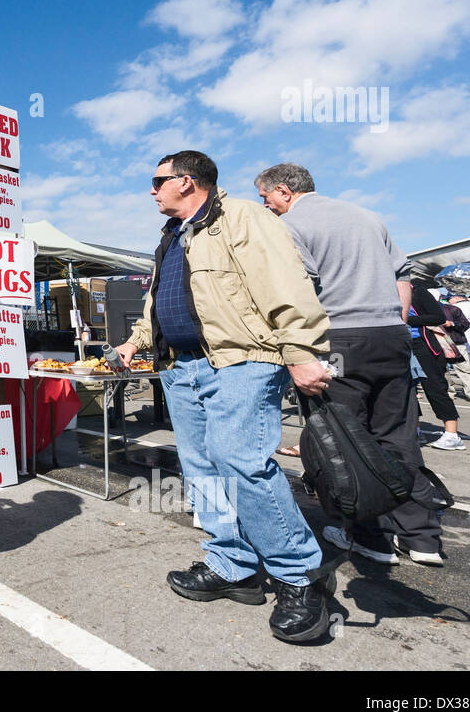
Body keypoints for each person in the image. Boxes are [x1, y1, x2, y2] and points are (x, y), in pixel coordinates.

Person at [116, 150, 336, 644]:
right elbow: (159, 301)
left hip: (242, 361)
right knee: (200, 469)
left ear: (187, 182)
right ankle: (232, 566)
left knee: (240, 460)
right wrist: (137, 340)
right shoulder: (171, 235)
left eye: (158, 181)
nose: (152, 190)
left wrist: (302, 351)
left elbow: (285, 284)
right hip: (182, 367)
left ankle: (299, 576)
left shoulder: (244, 218)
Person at [256, 163, 445, 567]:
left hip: (337, 336)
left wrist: (297, 352)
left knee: (344, 441)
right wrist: (396, 319)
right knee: (398, 434)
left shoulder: (289, 225)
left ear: (284, 191)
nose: (266, 205)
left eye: (266, 197)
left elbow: (296, 288)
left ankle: (368, 535)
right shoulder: (367, 216)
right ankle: (421, 537)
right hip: (390, 335)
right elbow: (404, 276)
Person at [407, 283, 464, 449]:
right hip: (400, 343)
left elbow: (438, 317)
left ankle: (452, 435)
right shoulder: (385, 291)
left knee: (434, 387)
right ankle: (415, 431)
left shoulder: (417, 291)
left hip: (422, 344)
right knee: (406, 389)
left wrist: (406, 319)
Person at [439, 294, 470, 403]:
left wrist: (452, 324)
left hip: (455, 342)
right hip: (438, 343)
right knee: (443, 370)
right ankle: (449, 392)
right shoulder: (425, 310)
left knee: (464, 368)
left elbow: (465, 324)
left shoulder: (453, 309)